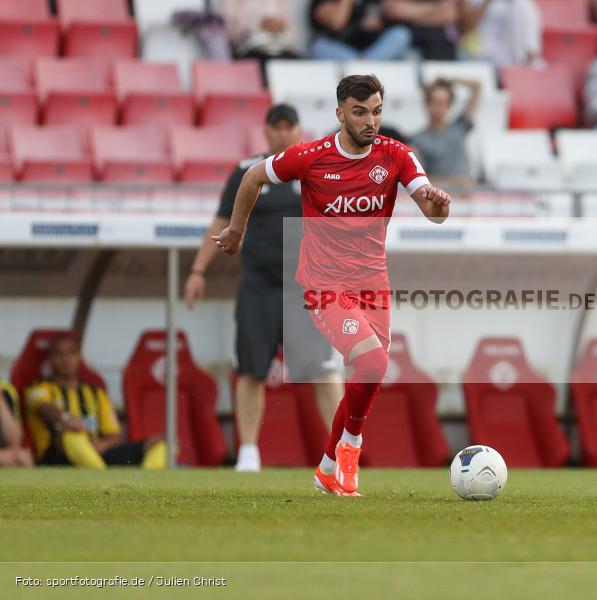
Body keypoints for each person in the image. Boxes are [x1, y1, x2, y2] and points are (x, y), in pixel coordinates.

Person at [213, 74, 451, 496]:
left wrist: (437, 203)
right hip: (324, 284)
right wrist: (236, 230)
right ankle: (349, 450)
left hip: (373, 283)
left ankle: (326, 466)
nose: (370, 121)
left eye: (376, 111)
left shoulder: (396, 155)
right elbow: (252, 177)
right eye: (360, 112)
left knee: (369, 372)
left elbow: (431, 210)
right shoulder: (311, 156)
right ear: (340, 114)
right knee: (373, 364)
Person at [185, 104, 344, 473]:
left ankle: (340, 452)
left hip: (307, 287)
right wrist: (198, 270)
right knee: (251, 368)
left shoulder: (318, 166)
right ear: (267, 131)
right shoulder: (248, 171)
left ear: (299, 129)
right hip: (259, 284)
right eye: (277, 127)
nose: (284, 133)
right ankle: (248, 454)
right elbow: (222, 220)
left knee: (323, 370)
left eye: (290, 127)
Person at [24, 335, 166, 469]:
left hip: (96, 453)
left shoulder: (96, 393)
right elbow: (44, 407)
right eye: (59, 354)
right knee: (70, 435)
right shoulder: (38, 388)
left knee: (163, 442)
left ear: (79, 357)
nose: (66, 358)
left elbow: (115, 435)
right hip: (57, 456)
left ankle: (147, 481)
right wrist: (66, 419)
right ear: (50, 358)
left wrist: (103, 445)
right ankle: (100, 478)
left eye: (71, 353)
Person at [411, 78, 481, 185]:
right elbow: (419, 180)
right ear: (427, 104)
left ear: (449, 106)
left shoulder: (460, 127)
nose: (438, 108)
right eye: (435, 102)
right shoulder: (417, 140)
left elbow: (477, 86)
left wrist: (447, 79)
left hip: (468, 196)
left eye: (443, 103)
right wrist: (456, 182)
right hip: (440, 196)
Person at [309, 0, 413, 60]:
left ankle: (363, 67)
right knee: (318, 46)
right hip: (342, 50)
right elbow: (336, 23)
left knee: (401, 34)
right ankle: (362, 69)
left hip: (372, 52)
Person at [459, 0, 542, 68]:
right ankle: (525, 59)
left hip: (506, 50)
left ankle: (528, 55)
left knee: (522, 4)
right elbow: (466, 27)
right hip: (477, 49)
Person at [216, 0, 301, 66]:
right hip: (250, 51)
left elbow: (292, 31)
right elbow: (227, 30)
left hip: (281, 49)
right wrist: (259, 25)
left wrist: (280, 26)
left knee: (298, 64)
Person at [382, 0, 459, 60]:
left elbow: (449, 14)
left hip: (436, 48)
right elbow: (394, 10)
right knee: (399, 36)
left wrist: (412, 14)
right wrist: (434, 9)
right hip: (405, 43)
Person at [0, 381, 32, 468]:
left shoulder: (7, 390)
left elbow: (15, 440)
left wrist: (1, 402)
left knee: (24, 457)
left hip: (4, 452)